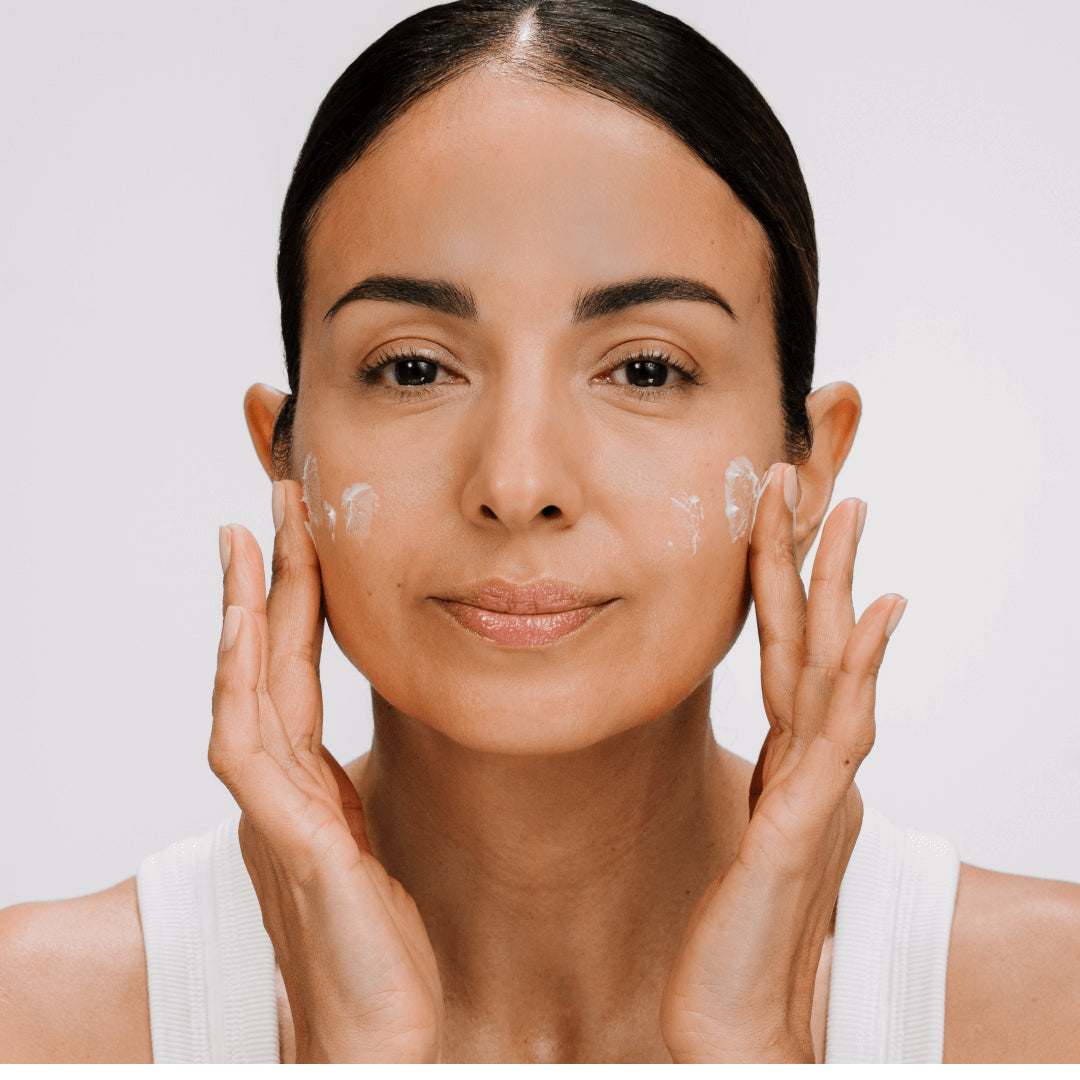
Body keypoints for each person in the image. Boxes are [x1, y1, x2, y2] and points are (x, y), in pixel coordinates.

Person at [2, 0, 1078, 1064]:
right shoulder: (38, 1020)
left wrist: (749, 1052)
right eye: (414, 368)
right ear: (285, 458)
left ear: (804, 468)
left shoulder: (1047, 1007)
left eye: (645, 369)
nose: (518, 485)